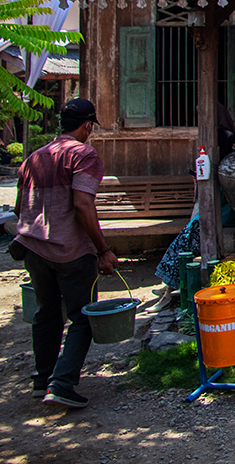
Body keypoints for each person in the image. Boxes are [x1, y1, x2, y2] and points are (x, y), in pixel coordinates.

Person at [11, 98, 115, 409]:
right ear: (87, 125)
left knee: (46, 314)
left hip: (32, 246)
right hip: (70, 249)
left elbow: (19, 208)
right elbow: (83, 204)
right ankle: (62, 383)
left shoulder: (33, 158)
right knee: (83, 317)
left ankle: (42, 380)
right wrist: (103, 250)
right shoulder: (83, 154)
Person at [147, 104, 235, 310]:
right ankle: (167, 286)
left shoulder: (222, 137)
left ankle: (169, 289)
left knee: (187, 238)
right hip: (217, 198)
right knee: (184, 240)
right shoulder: (218, 135)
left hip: (222, 201)